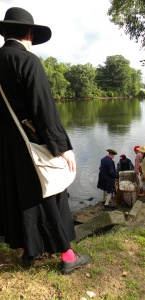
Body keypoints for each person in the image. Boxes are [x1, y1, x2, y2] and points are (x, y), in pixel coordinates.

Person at [0, 7, 90, 275]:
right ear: (29, 33)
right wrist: (62, 147)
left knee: (17, 194)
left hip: (5, 145)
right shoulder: (28, 61)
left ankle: (29, 251)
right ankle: (68, 255)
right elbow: (44, 108)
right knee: (50, 193)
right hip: (31, 141)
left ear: (6, 33)